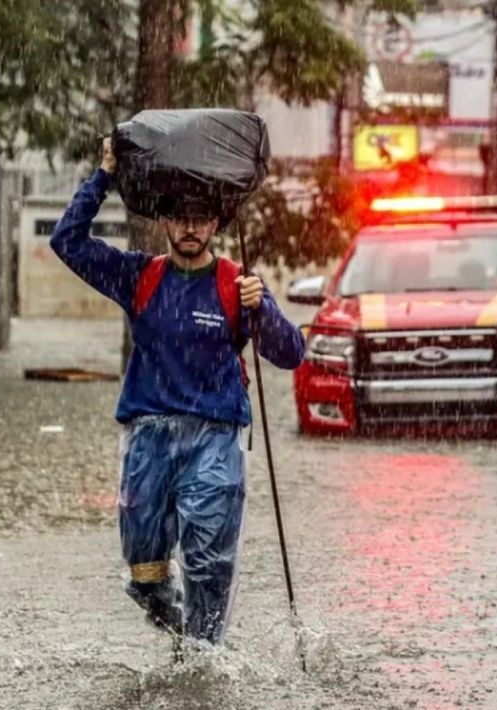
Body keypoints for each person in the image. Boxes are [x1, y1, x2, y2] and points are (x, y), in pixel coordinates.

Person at [50, 138, 305, 646]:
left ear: (216, 224)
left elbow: (291, 354)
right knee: (144, 576)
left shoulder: (238, 284)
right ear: (165, 221)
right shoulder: (138, 276)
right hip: (147, 440)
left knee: (209, 564)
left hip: (215, 438)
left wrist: (265, 311)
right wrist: (103, 176)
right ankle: (181, 636)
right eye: (182, 218)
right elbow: (67, 242)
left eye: (202, 218)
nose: (192, 228)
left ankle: (202, 662)